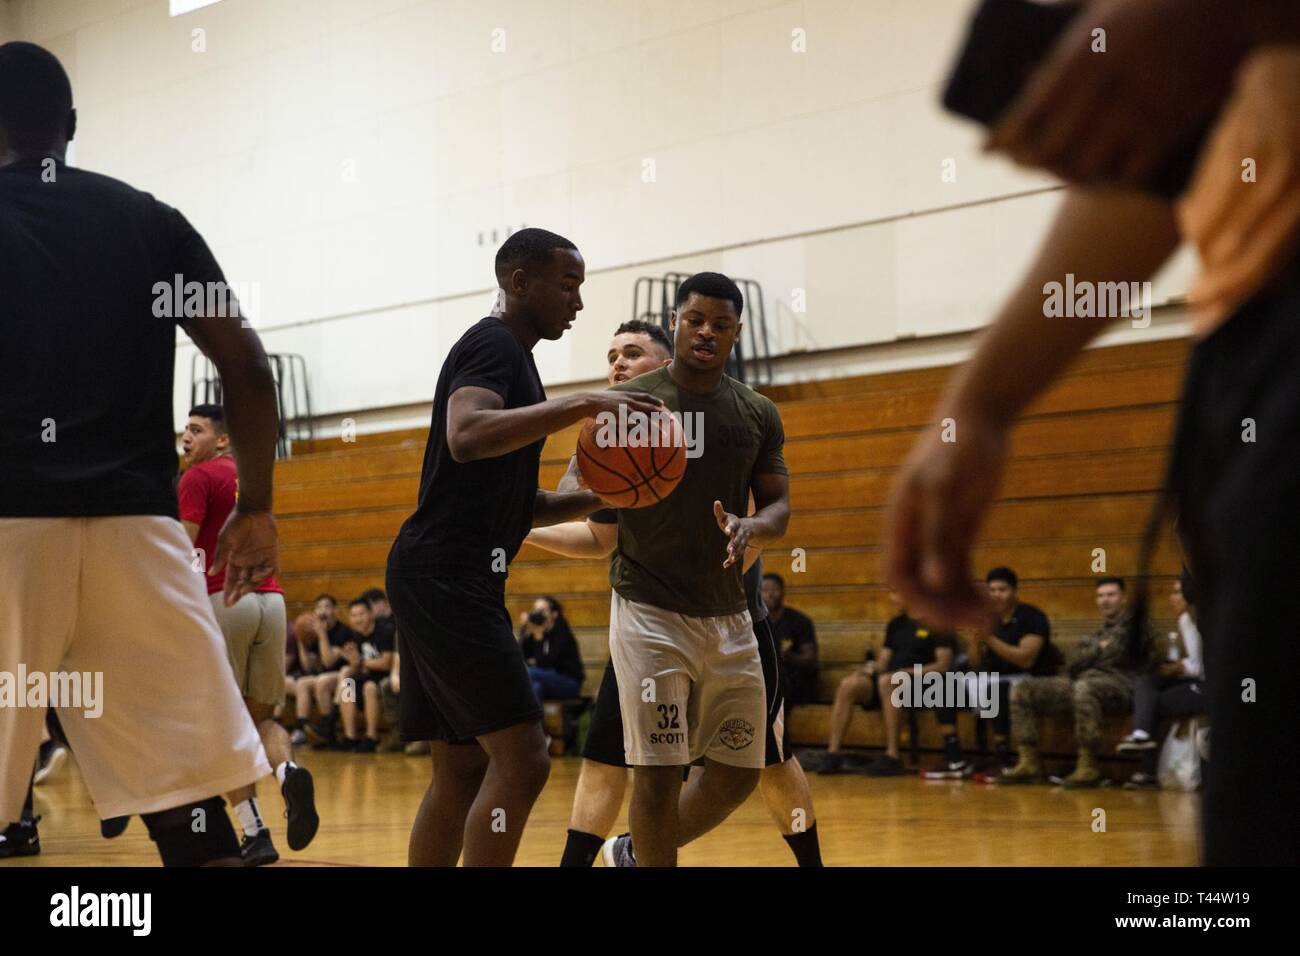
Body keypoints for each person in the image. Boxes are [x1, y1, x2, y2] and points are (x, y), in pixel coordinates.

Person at [1, 41, 276, 866]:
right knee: (189, 806)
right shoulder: (150, 220)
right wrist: (257, 506)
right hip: (139, 533)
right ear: (72, 126)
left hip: (9, 529)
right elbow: (247, 366)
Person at [384, 227, 664, 867]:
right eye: (568, 285)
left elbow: (524, 505)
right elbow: (467, 434)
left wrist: (614, 493)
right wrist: (586, 403)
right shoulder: (494, 344)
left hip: (443, 574)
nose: (578, 303)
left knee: (459, 770)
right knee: (525, 758)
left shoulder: (516, 357)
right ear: (519, 282)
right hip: (446, 576)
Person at [527, 318, 821, 867]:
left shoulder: (723, 422)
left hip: (732, 624)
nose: (616, 364)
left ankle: (642, 849)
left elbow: (761, 522)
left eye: (632, 353)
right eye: (611, 354)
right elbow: (598, 538)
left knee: (769, 760)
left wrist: (732, 549)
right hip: (645, 624)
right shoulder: (606, 439)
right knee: (609, 756)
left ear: (666, 366)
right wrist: (521, 527)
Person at [595, 272, 791, 867]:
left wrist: (753, 526)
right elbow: (597, 513)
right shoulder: (631, 404)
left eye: (721, 324)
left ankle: (635, 851)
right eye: (696, 319)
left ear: (736, 332)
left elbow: (779, 505)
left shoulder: (757, 412)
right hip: (648, 610)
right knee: (658, 774)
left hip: (729, 613)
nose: (707, 331)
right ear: (675, 321)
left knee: (738, 772)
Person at [178, 403, 319, 864]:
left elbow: (184, 548)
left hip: (225, 600)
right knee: (261, 718)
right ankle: (288, 772)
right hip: (271, 602)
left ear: (222, 439)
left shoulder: (197, 478)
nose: (186, 438)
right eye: (184, 430)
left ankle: (254, 831)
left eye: (196, 430)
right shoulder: (251, 482)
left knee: (222, 724)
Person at [1118, 572, 1206, 788]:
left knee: (1153, 703)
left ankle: (1148, 771)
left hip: (1214, 687)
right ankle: (1141, 734)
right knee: (1148, 681)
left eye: (1177, 592)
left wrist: (1181, 667)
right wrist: (1174, 667)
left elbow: (1213, 666)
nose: (1171, 597)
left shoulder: (1207, 621)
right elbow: (1196, 660)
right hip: (1195, 679)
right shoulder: (1185, 620)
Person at [968, 567, 1053, 772]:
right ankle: (960, 755)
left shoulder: (1032, 617)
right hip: (995, 676)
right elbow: (976, 664)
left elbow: (1026, 659)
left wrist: (989, 638)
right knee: (947, 686)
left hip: (1031, 678)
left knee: (997, 689)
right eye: (992, 590)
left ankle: (1003, 755)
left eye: (1002, 589)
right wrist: (974, 642)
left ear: (1015, 591)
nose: (997, 595)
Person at [335, 598, 395, 752]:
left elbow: (386, 663)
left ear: (371, 614)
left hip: (386, 677)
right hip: (368, 676)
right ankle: (351, 736)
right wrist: (352, 661)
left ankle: (371, 737)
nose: (358, 619)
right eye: (354, 615)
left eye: (361, 614)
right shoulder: (355, 636)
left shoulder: (385, 630)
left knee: (368, 687)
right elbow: (359, 666)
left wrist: (360, 662)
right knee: (348, 684)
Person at [301, 594, 361, 748]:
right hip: (334, 677)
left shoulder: (343, 631)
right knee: (310, 682)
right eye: (319, 607)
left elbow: (328, 662)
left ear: (335, 610)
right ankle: (319, 731)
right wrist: (300, 641)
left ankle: (330, 726)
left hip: (350, 677)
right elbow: (309, 667)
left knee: (326, 681)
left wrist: (322, 636)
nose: (323, 611)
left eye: (327, 607)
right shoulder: (314, 633)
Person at [762, 573, 819, 707]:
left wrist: (787, 656)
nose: (770, 594)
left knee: (778, 685)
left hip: (795, 680)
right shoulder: (756, 623)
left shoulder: (800, 621)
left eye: (774, 589)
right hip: (767, 677)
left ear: (783, 592)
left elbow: (811, 660)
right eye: (764, 590)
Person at [518, 596, 584, 702]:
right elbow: (520, 657)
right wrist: (524, 630)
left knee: (527, 673)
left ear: (554, 614)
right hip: (544, 679)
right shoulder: (536, 630)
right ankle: (535, 719)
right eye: (535, 610)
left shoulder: (562, 633)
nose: (538, 614)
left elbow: (546, 663)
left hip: (568, 682)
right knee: (536, 687)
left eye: (542, 611)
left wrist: (539, 637)